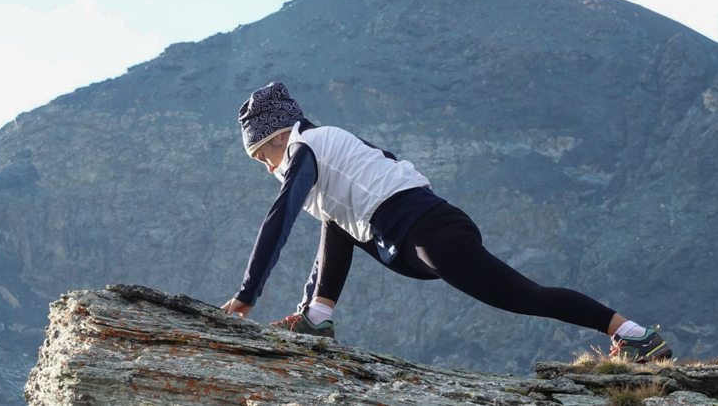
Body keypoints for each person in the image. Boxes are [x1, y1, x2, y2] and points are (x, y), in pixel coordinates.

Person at [219, 81, 673, 362]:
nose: (267, 167)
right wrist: (311, 306)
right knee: (335, 219)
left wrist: (246, 294)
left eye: (263, 156)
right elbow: (336, 225)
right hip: (411, 237)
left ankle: (634, 335)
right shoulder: (325, 156)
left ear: (280, 137)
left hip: (431, 232)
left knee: (523, 295)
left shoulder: (307, 148)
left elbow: (278, 220)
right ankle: (318, 318)